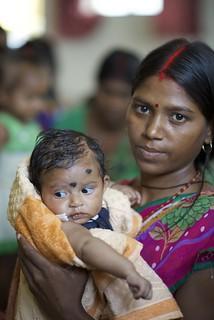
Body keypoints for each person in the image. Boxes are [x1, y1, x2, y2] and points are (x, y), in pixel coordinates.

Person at [8, 37, 214, 320]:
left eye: (177, 117)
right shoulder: (106, 196)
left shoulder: (208, 226)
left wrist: (67, 309)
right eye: (143, 108)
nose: (152, 131)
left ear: (209, 131)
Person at [7, 129, 182, 320]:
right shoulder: (63, 228)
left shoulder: (103, 195)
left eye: (87, 189)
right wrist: (128, 271)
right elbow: (87, 246)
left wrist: (117, 190)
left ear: (103, 184)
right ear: (40, 193)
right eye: (60, 194)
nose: (76, 202)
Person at [55, 49, 141, 181]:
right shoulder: (69, 124)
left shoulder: (142, 135)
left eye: (123, 95)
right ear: (97, 87)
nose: (114, 103)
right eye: (108, 92)